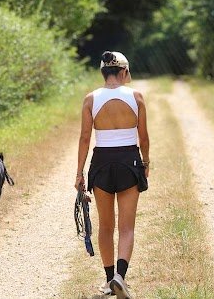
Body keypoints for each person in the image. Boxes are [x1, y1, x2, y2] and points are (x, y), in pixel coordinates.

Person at [76, 51, 149, 299]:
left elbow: (85, 138)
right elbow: (144, 136)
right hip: (129, 160)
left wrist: (79, 172)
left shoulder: (90, 99)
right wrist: (145, 162)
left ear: (102, 72)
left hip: (102, 162)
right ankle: (120, 276)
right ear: (124, 72)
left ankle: (109, 281)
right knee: (127, 227)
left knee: (106, 226)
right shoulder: (136, 96)